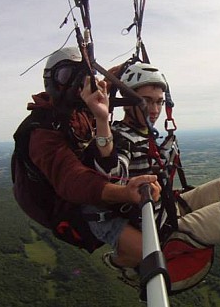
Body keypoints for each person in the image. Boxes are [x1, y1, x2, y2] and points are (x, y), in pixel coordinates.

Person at [81, 61, 220, 307]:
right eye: (146, 101)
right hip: (159, 224)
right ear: (128, 102)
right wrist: (102, 120)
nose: (153, 110)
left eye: (159, 102)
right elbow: (113, 171)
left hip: (167, 206)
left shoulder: (147, 134)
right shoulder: (120, 136)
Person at [21, 46, 161, 237]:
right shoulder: (42, 132)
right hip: (67, 206)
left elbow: (104, 87)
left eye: (85, 77)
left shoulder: (80, 111)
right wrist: (124, 193)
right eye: (67, 75)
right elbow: (72, 179)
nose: (77, 84)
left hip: (90, 190)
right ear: (51, 79)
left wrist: (123, 69)